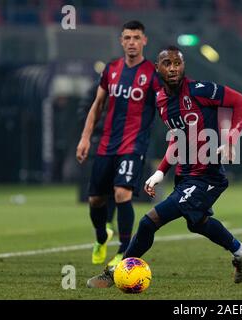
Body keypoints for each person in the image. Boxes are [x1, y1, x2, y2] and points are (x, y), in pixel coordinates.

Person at [86, 45, 242, 288]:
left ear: (183, 66)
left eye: (178, 63)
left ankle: (117, 271)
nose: (173, 68)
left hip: (208, 176)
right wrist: (159, 171)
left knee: (149, 222)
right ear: (158, 68)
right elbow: (178, 138)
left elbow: (241, 101)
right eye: (167, 64)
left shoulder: (201, 90)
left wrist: (230, 140)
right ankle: (241, 252)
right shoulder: (161, 100)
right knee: (197, 223)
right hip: (185, 175)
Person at [76, 20, 161, 267]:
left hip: (134, 145)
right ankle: (102, 236)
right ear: (121, 41)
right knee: (96, 200)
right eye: (127, 38)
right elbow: (97, 105)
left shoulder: (152, 75)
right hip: (105, 145)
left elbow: (163, 105)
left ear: (144, 40)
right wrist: (84, 138)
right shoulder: (111, 69)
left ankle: (124, 251)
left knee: (122, 193)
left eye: (136, 37)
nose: (132, 42)